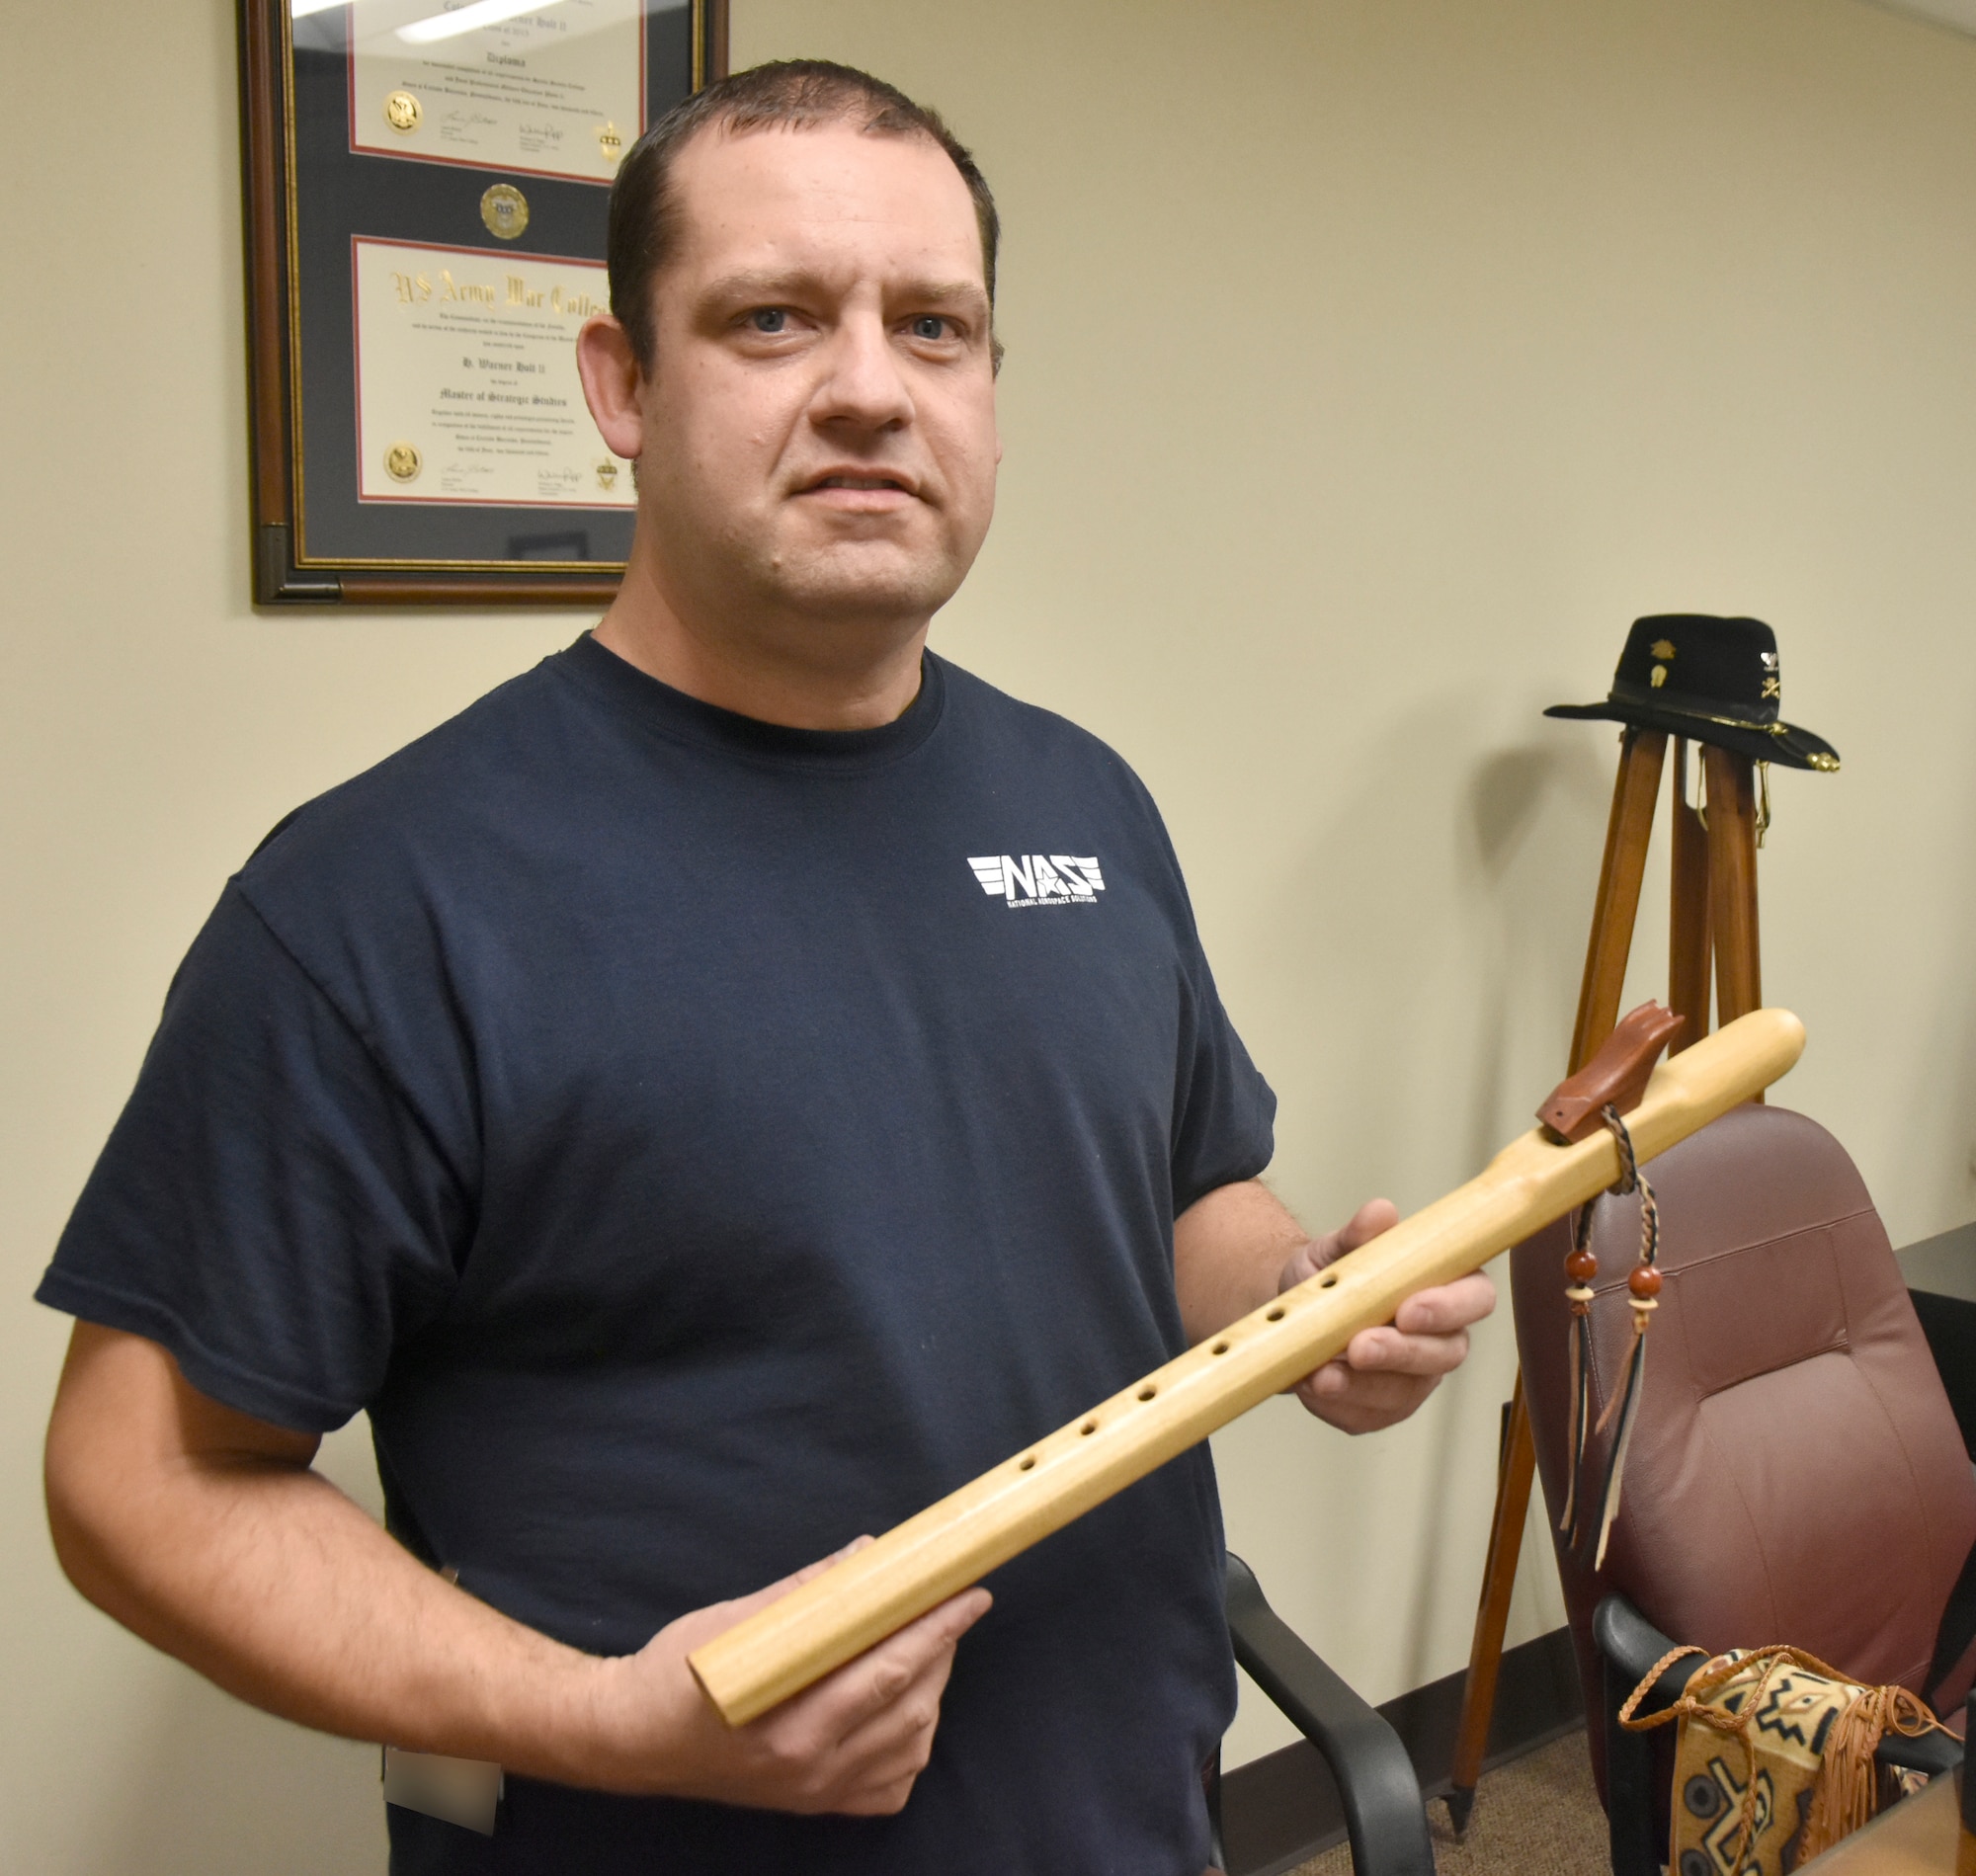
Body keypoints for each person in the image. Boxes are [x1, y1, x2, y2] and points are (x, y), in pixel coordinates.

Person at [38, 61, 1494, 1875]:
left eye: (935, 327)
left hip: (1126, 1825)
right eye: (774, 319)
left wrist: (1301, 1294)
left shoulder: (1084, 800)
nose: (871, 388)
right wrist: (609, 1723)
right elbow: (138, 1484)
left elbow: (1183, 1190)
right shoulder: (385, 900)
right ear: (622, 388)